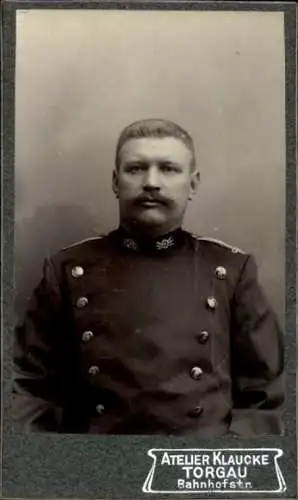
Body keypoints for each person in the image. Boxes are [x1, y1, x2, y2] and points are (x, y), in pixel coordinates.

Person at [13, 118, 284, 436]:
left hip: (195, 471)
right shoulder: (66, 270)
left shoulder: (230, 271)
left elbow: (267, 399)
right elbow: (27, 392)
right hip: (97, 468)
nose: (151, 182)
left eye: (168, 169)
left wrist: (219, 463)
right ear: (116, 181)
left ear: (193, 184)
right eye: (136, 169)